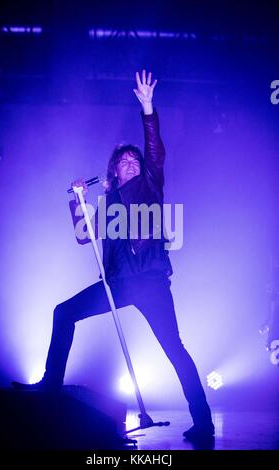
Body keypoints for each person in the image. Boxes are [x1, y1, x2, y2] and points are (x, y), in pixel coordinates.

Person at [12, 70, 214, 442]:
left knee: (175, 350)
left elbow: (154, 153)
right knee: (63, 312)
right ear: (114, 172)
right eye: (124, 161)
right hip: (117, 284)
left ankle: (203, 420)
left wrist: (148, 110)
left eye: (135, 159)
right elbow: (82, 237)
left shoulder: (150, 186)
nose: (132, 163)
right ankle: (49, 385)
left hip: (151, 282)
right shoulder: (107, 204)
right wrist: (79, 201)